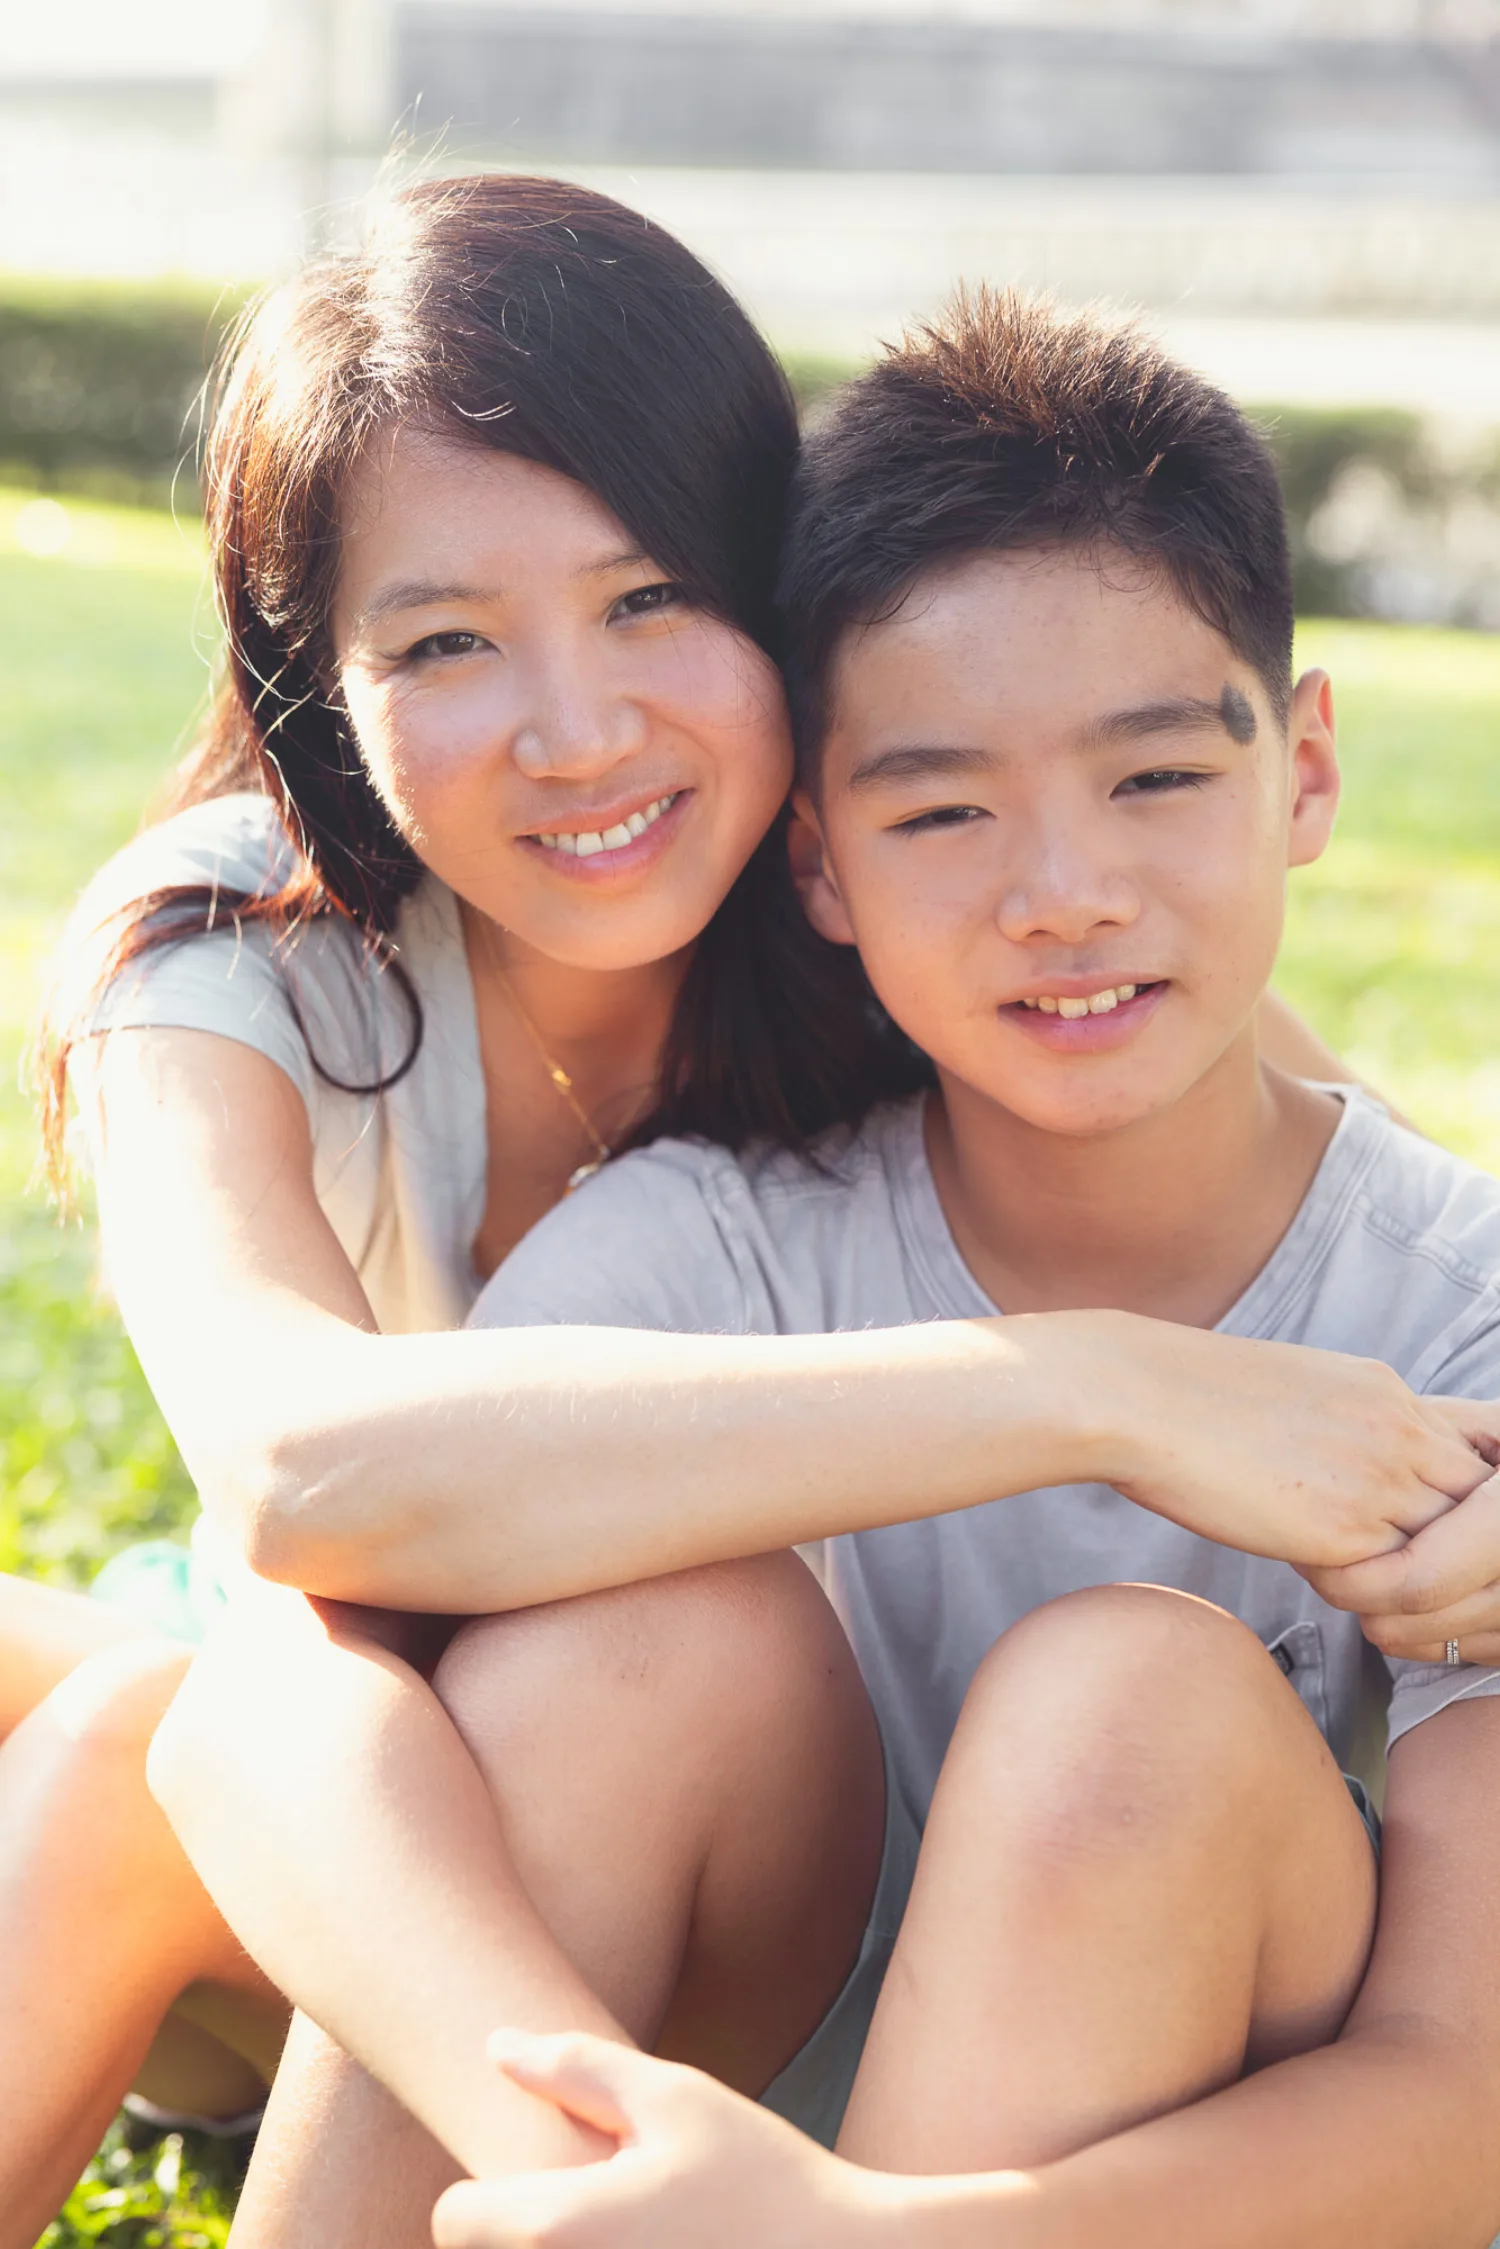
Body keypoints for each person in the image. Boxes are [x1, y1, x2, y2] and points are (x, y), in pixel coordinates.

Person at [14, 175, 1497, 2241]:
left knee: (1117, 1696)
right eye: (446, 638)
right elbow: (293, 1507)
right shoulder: (253, 953)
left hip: (1055, 1947)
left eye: (646, 602)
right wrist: (1091, 1385)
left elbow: (1346, 1182)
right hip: (429, 1761)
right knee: (124, 1729)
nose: (579, 725)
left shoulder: (988, 955)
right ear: (315, 679)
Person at [399, 291, 1500, 2248]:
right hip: (718, 2100)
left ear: (1305, 767)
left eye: (1155, 776)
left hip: (1183, 2187)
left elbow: (1472, 2100)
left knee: (1124, 1702)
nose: (1061, 886)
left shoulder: (1463, 1318)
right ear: (818, 859)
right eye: (943, 808)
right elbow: (329, 1586)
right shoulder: (728, 1240)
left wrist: (869, 2233)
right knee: (595, 1637)